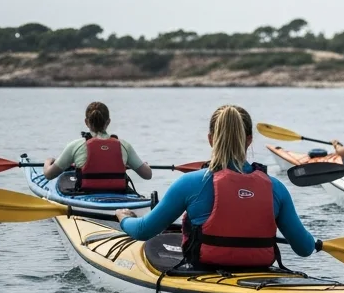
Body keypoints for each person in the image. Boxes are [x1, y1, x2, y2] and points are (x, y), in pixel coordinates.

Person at [115, 104, 317, 269]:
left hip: (205, 273)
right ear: (249, 140)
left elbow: (143, 231)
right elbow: (305, 248)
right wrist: (315, 242)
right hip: (259, 274)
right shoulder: (275, 188)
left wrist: (124, 218)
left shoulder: (190, 183)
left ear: (211, 139)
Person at [43, 101, 152, 192]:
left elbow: (49, 175)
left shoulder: (75, 146)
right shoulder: (124, 146)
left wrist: (48, 162)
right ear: (108, 122)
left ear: (86, 122)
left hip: (87, 195)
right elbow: (147, 175)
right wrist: (144, 165)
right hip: (118, 194)